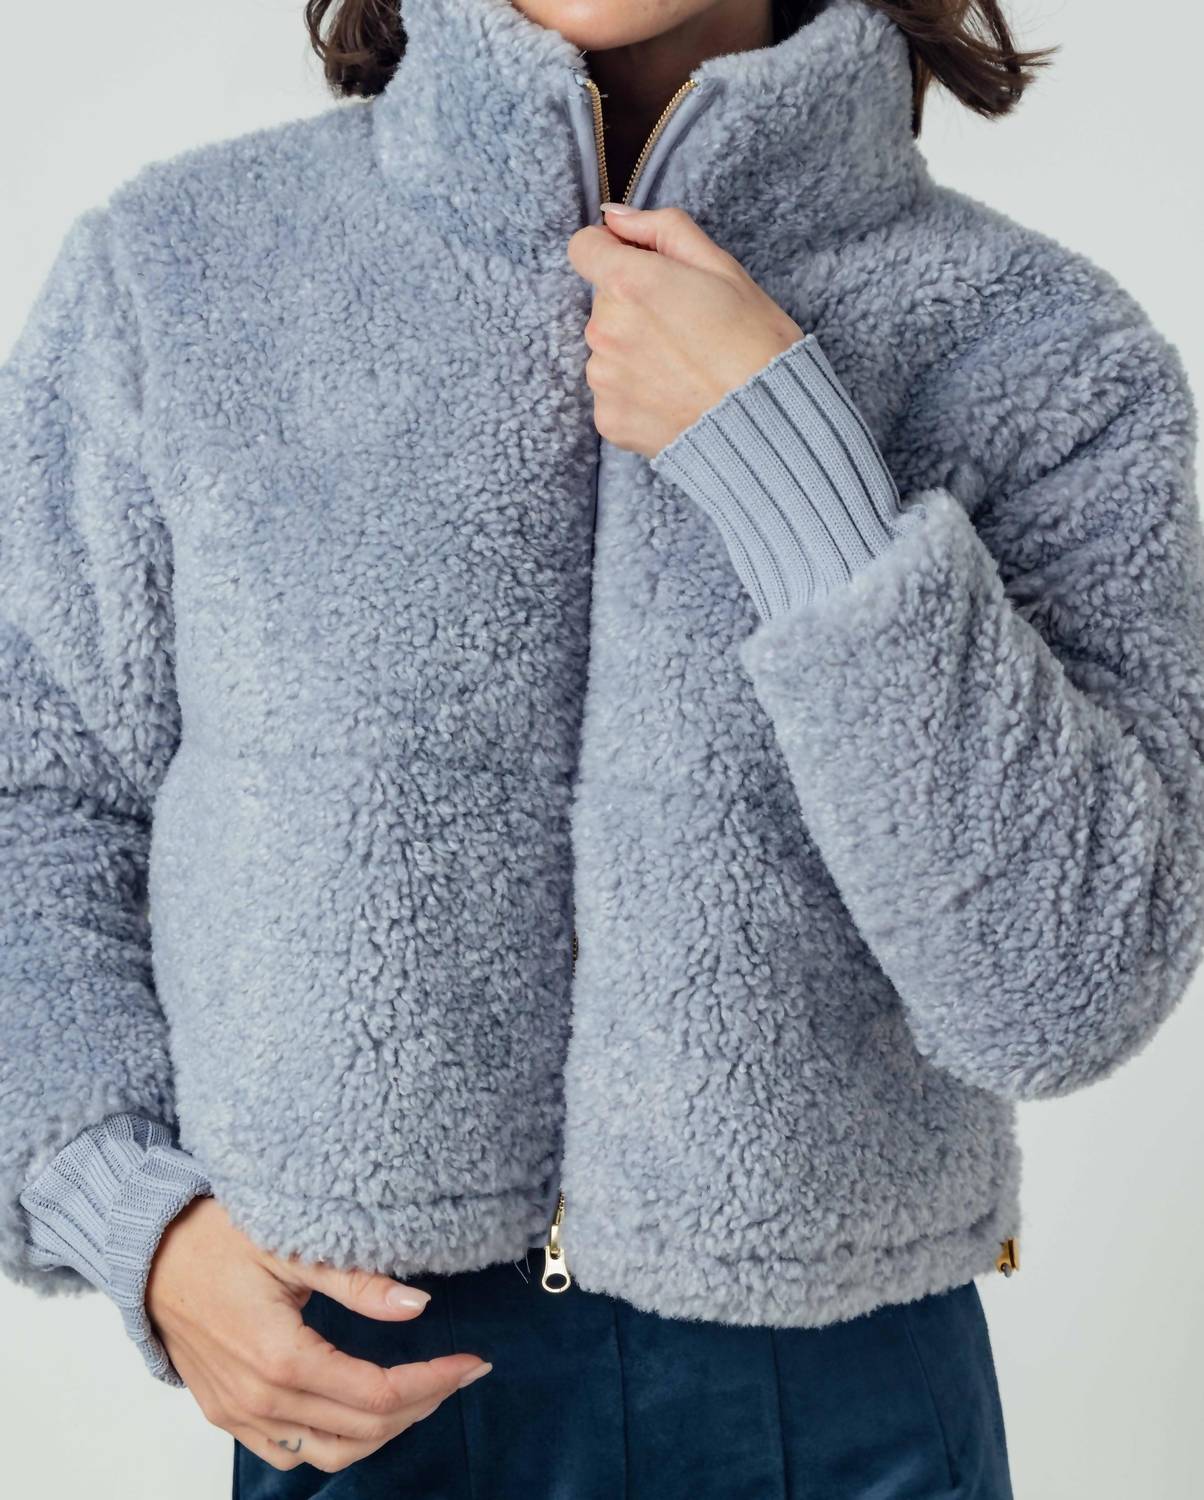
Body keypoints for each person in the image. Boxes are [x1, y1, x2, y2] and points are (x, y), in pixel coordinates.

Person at [2, 0, 1201, 1494]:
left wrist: (794, 470)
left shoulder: (1045, 350)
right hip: (361, 1383)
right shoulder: (183, 274)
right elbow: (33, 802)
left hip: (840, 1405)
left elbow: (1066, 990)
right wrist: (128, 1212)